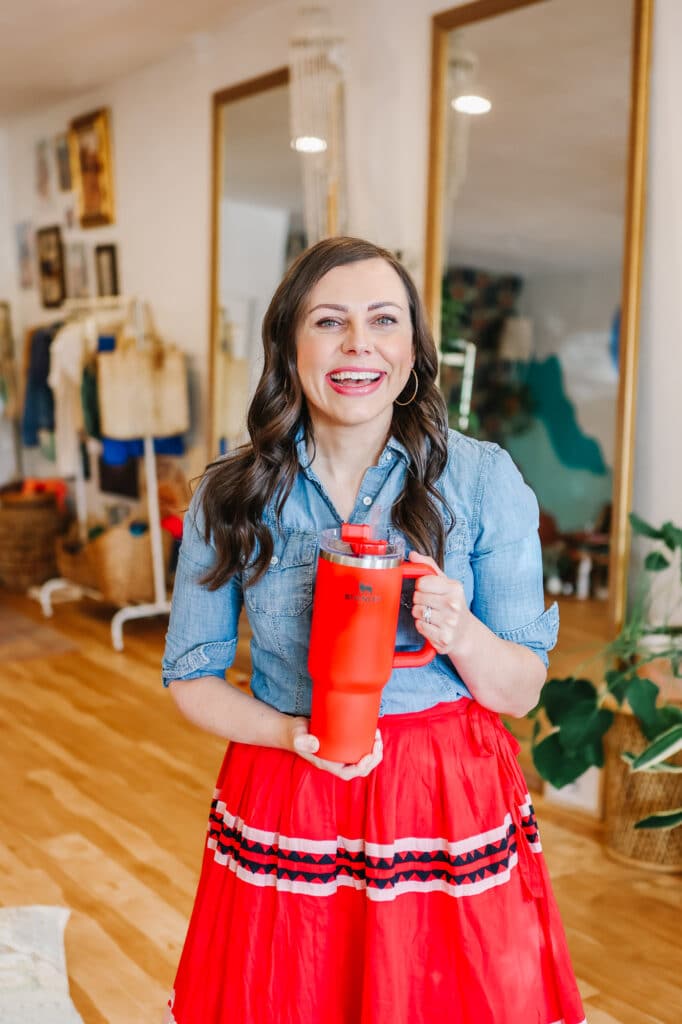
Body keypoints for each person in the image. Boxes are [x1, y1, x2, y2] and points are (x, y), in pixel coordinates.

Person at [161, 236, 586, 1024]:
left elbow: (521, 690)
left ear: (413, 351)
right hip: (294, 784)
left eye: (383, 320)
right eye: (329, 321)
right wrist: (289, 736)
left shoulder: (485, 479)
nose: (358, 344)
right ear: (290, 347)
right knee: (291, 996)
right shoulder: (231, 493)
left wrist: (459, 630)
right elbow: (191, 675)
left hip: (445, 799)